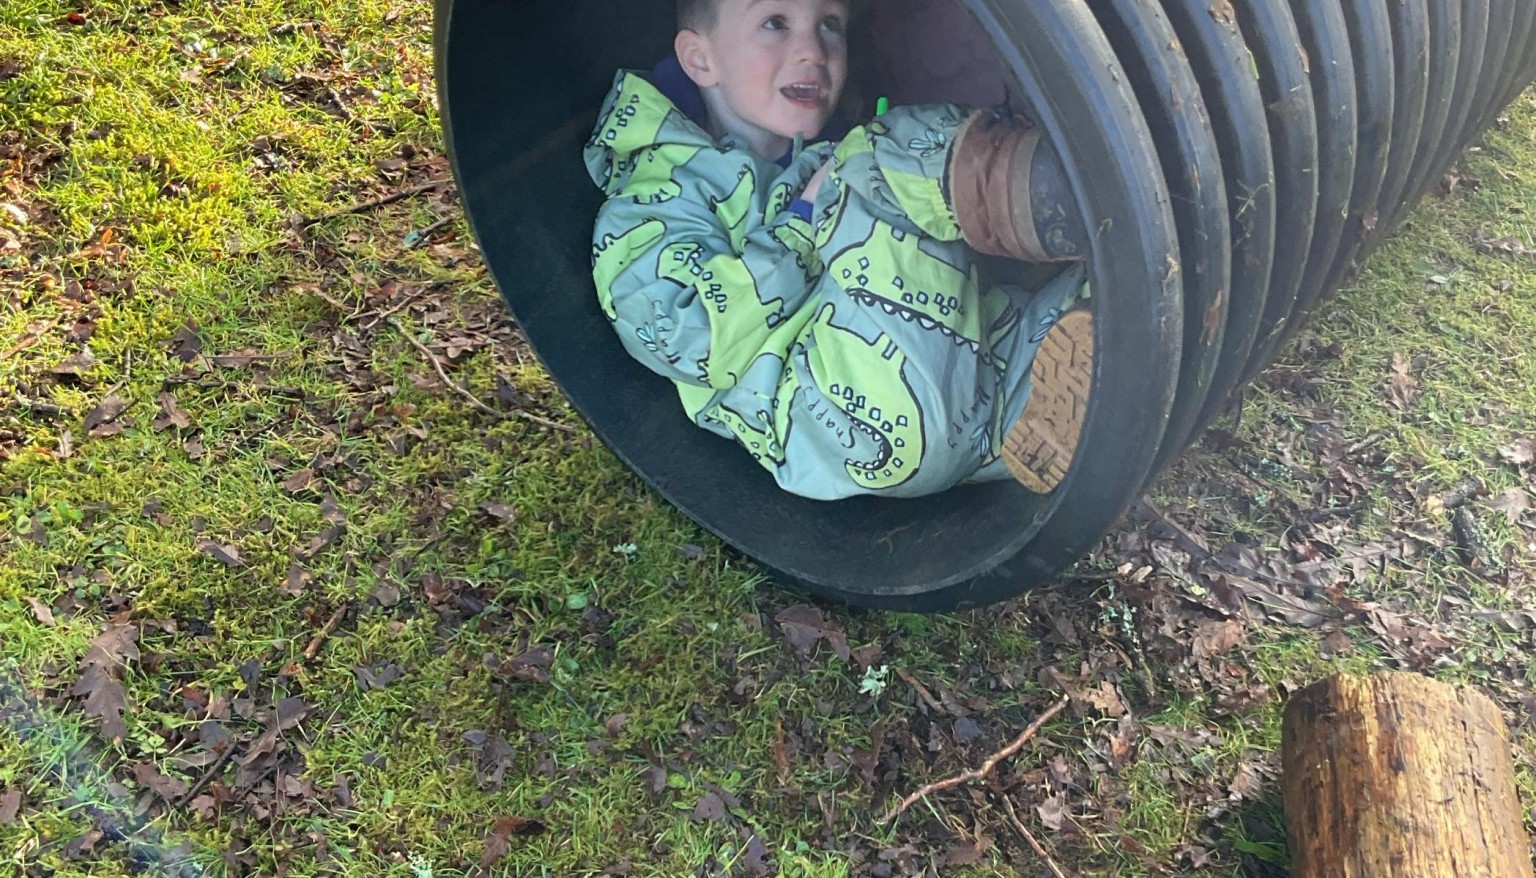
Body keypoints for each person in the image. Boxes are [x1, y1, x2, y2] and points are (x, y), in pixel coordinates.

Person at [582, 0, 1093, 500]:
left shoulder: (820, 154)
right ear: (701, 59)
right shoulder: (653, 200)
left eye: (829, 25)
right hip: (840, 411)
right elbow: (681, 332)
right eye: (775, 23)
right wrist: (802, 225)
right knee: (877, 159)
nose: (813, 50)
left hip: (969, 392)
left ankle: (1107, 328)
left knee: (1094, 315)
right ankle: (1075, 194)